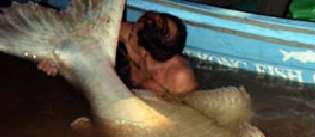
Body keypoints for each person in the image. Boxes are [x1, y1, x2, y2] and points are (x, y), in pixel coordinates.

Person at [39, 11, 197, 97]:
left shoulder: (179, 77)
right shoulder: (127, 33)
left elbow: (184, 116)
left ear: (144, 51)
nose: (130, 27)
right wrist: (57, 60)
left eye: (133, 32)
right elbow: (79, 34)